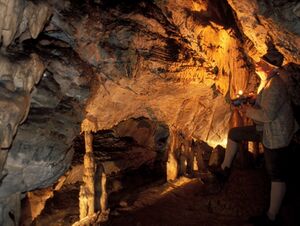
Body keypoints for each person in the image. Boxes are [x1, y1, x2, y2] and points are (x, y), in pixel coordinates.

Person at [210, 50, 299, 226]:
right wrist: (252, 99)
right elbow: (264, 104)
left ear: (270, 68)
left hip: (277, 134)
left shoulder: (275, 86)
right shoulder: (267, 82)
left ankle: (272, 216)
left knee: (276, 174)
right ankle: (225, 169)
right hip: (265, 129)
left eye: (262, 62)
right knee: (234, 134)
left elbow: (267, 115)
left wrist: (246, 111)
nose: (257, 64)